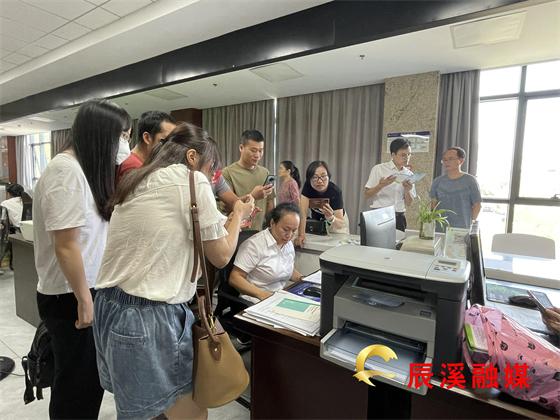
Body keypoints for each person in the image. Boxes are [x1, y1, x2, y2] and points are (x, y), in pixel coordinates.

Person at [93, 122, 254, 420]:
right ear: (192, 157)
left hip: (110, 307)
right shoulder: (191, 180)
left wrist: (230, 220)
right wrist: (239, 213)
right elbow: (221, 255)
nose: (212, 177)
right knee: (189, 413)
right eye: (212, 168)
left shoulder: (139, 178)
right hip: (148, 316)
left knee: (147, 411)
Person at [33, 98, 131, 419]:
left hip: (84, 291)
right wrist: (85, 299)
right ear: (102, 135)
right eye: (123, 136)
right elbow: (65, 245)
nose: (125, 144)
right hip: (70, 296)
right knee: (77, 385)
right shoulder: (65, 171)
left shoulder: (83, 171)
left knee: (87, 380)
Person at [229, 202, 304, 304]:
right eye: (286, 229)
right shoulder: (254, 245)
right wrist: (262, 294)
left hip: (279, 297)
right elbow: (234, 278)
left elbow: (285, 269)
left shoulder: (288, 244)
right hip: (256, 300)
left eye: (294, 230)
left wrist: (303, 279)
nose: (289, 235)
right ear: (272, 223)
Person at [222, 130, 275, 231]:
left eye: (260, 151)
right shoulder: (228, 173)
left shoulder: (265, 172)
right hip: (237, 232)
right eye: (253, 150)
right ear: (241, 148)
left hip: (260, 232)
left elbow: (269, 204)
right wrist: (252, 196)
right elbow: (224, 207)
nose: (257, 155)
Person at [364, 138, 416, 232]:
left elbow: (408, 203)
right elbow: (367, 195)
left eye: (409, 154)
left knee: (398, 242)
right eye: (403, 155)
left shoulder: (409, 174)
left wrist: (407, 190)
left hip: (399, 217)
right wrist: (381, 185)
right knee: (378, 242)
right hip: (380, 216)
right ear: (393, 154)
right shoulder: (379, 169)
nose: (407, 158)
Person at [115, 110, 176, 184]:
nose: (170, 147)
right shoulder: (133, 166)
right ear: (147, 138)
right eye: (164, 141)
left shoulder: (141, 164)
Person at [294, 161, 346, 247]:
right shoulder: (308, 187)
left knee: (337, 247)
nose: (319, 181)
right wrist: (301, 235)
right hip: (318, 223)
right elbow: (302, 213)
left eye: (323, 176)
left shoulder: (335, 192)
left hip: (336, 223)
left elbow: (340, 224)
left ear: (329, 177)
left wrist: (331, 217)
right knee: (317, 246)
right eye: (314, 177)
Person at [430, 146, 482, 232]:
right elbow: (434, 203)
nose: (447, 162)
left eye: (451, 159)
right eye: (445, 160)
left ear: (461, 161)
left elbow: (477, 205)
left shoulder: (470, 181)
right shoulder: (437, 181)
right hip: (441, 228)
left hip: (462, 229)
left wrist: (470, 223)